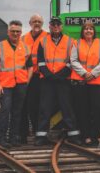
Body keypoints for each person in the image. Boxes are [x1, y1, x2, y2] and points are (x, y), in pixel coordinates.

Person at [34, 16, 81, 146]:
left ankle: (73, 135)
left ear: (61, 26)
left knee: (67, 108)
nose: (55, 26)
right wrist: (50, 76)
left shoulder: (70, 41)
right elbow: (41, 62)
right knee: (44, 108)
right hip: (47, 81)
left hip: (63, 81)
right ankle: (41, 136)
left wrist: (59, 76)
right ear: (49, 26)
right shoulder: (42, 41)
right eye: (53, 24)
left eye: (57, 24)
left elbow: (71, 62)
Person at [0, 20, 33, 148]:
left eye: (18, 31)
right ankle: (1, 138)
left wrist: (27, 80)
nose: (15, 33)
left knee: (17, 112)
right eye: (13, 31)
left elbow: (30, 66)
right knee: (5, 110)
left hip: (20, 84)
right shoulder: (0, 46)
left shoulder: (26, 47)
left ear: (21, 32)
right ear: (8, 32)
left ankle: (14, 137)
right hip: (5, 84)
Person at [71, 22, 100, 145]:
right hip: (81, 81)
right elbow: (73, 60)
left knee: (97, 109)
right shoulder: (76, 43)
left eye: (91, 29)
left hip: (96, 81)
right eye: (86, 29)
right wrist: (84, 73)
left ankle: (97, 135)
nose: (88, 31)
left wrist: (92, 73)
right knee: (83, 109)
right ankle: (86, 136)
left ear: (94, 31)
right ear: (83, 31)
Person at [20, 14, 48, 144]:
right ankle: (24, 133)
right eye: (34, 21)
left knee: (40, 105)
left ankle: (39, 131)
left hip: (41, 76)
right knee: (26, 105)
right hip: (26, 75)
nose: (37, 23)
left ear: (42, 24)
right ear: (30, 23)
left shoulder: (47, 37)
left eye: (39, 21)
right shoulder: (23, 38)